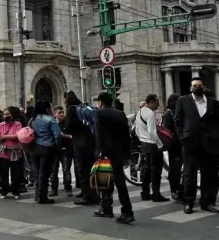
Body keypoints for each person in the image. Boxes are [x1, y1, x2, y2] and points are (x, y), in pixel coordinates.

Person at [174, 77, 219, 214]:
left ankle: (206, 202)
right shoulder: (183, 101)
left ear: (204, 86)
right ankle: (189, 202)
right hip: (190, 143)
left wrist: (215, 135)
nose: (197, 87)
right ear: (191, 88)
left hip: (209, 144)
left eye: (199, 85)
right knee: (190, 174)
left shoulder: (212, 103)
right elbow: (177, 121)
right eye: (194, 85)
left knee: (208, 174)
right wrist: (182, 137)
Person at [94, 91, 134, 223]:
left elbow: (98, 134)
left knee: (104, 182)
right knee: (120, 182)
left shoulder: (99, 113)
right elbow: (126, 136)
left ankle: (107, 208)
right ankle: (126, 211)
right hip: (119, 153)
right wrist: (127, 155)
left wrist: (99, 151)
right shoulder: (121, 114)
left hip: (106, 154)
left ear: (100, 102)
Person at [65, 90, 98, 205]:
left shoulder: (71, 109)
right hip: (90, 142)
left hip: (79, 142)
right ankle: (94, 194)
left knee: (82, 170)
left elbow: (68, 127)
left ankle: (86, 196)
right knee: (91, 169)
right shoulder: (84, 107)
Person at [135, 94, 168, 202]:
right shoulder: (150, 114)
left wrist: (141, 139)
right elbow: (152, 132)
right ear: (152, 102)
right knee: (156, 171)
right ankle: (156, 194)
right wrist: (160, 145)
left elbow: (137, 130)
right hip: (152, 144)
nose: (158, 104)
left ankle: (145, 193)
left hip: (144, 144)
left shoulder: (140, 112)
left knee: (147, 169)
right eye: (157, 102)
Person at [31, 101, 62, 204]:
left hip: (35, 148)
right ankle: (43, 196)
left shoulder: (33, 119)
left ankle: (37, 194)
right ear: (47, 108)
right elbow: (57, 135)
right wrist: (57, 145)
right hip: (47, 148)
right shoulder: (50, 120)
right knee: (44, 174)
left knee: (37, 172)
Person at [49, 106, 74, 197]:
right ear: (55, 114)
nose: (62, 114)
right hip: (55, 150)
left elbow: (72, 136)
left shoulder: (67, 123)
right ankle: (54, 189)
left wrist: (64, 135)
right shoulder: (52, 124)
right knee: (53, 170)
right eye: (59, 112)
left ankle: (68, 188)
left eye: (63, 112)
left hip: (66, 149)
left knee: (66, 169)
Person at [161, 93, 182, 201]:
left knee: (178, 168)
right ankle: (174, 190)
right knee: (174, 168)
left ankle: (178, 188)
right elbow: (166, 131)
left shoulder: (175, 113)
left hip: (179, 144)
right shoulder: (168, 114)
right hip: (173, 146)